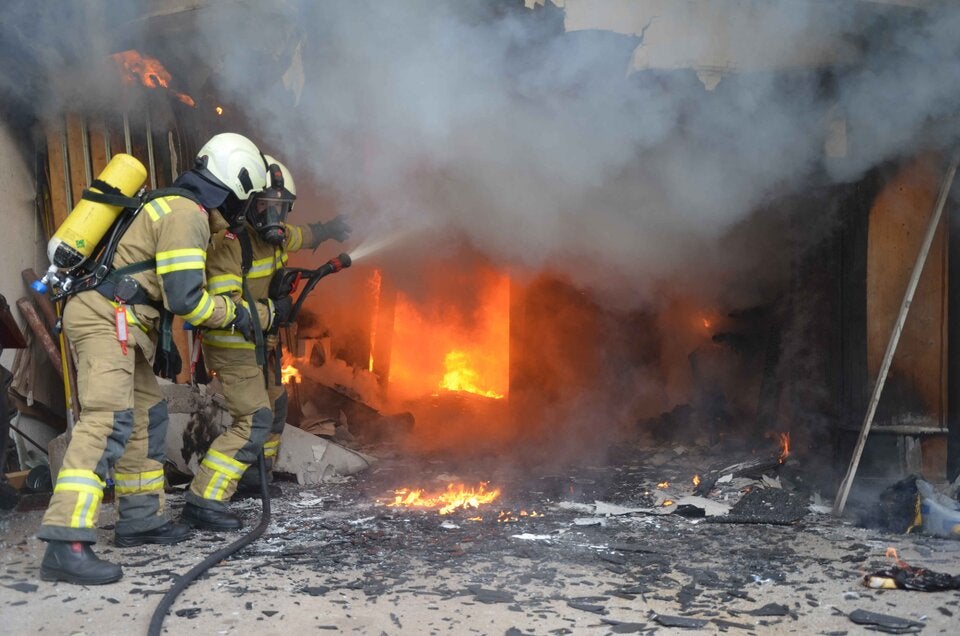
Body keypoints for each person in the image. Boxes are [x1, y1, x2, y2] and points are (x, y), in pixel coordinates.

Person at [37, 133, 268, 585]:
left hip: (124, 319)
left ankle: (141, 518)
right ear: (235, 186)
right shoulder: (188, 214)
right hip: (108, 317)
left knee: (147, 413)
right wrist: (234, 313)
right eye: (248, 198)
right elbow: (186, 301)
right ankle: (66, 543)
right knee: (108, 418)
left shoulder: (175, 206)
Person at [181, 155, 351, 531]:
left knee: (275, 406)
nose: (274, 217)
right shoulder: (230, 243)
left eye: (281, 208)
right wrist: (273, 311)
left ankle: (257, 475)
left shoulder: (273, 237)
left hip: (263, 344)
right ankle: (204, 499)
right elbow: (227, 306)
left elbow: (300, 235)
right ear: (249, 203)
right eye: (265, 207)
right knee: (254, 418)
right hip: (232, 343)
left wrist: (328, 229)